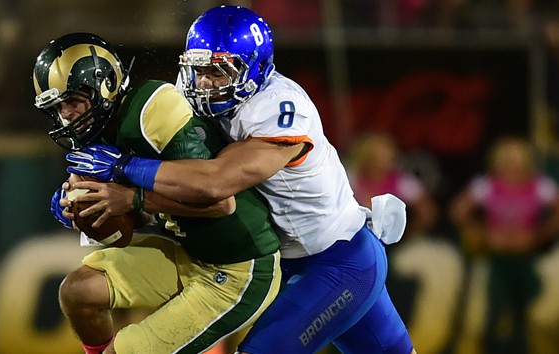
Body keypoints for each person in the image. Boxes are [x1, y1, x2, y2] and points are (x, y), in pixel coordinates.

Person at [66, 6, 416, 354]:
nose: (203, 83)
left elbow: (215, 184)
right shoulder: (193, 95)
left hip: (335, 260)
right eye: (198, 70)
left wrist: (125, 167)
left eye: (218, 72)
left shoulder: (278, 108)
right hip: (279, 255)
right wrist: (85, 195)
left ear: (255, 67)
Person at [32, 32, 282, 354]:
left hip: (237, 266)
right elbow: (122, 232)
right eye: (58, 107)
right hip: (187, 250)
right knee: (78, 292)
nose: (66, 115)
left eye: (72, 101)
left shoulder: (151, 110)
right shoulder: (94, 130)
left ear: (103, 86)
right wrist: (79, 207)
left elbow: (220, 203)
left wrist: (132, 198)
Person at [450, 136, 559, 354]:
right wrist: (481, 235)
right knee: (493, 310)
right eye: (507, 158)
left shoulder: (539, 185)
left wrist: (537, 236)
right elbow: (458, 210)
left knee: (526, 313)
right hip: (495, 259)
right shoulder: (487, 185)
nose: (512, 163)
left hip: (525, 259)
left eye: (516, 158)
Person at [345, 132, 438, 240]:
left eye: (384, 158)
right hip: (354, 238)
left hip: (391, 242)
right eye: (374, 159)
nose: (379, 164)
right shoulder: (351, 177)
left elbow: (427, 212)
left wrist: (408, 237)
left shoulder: (401, 181)